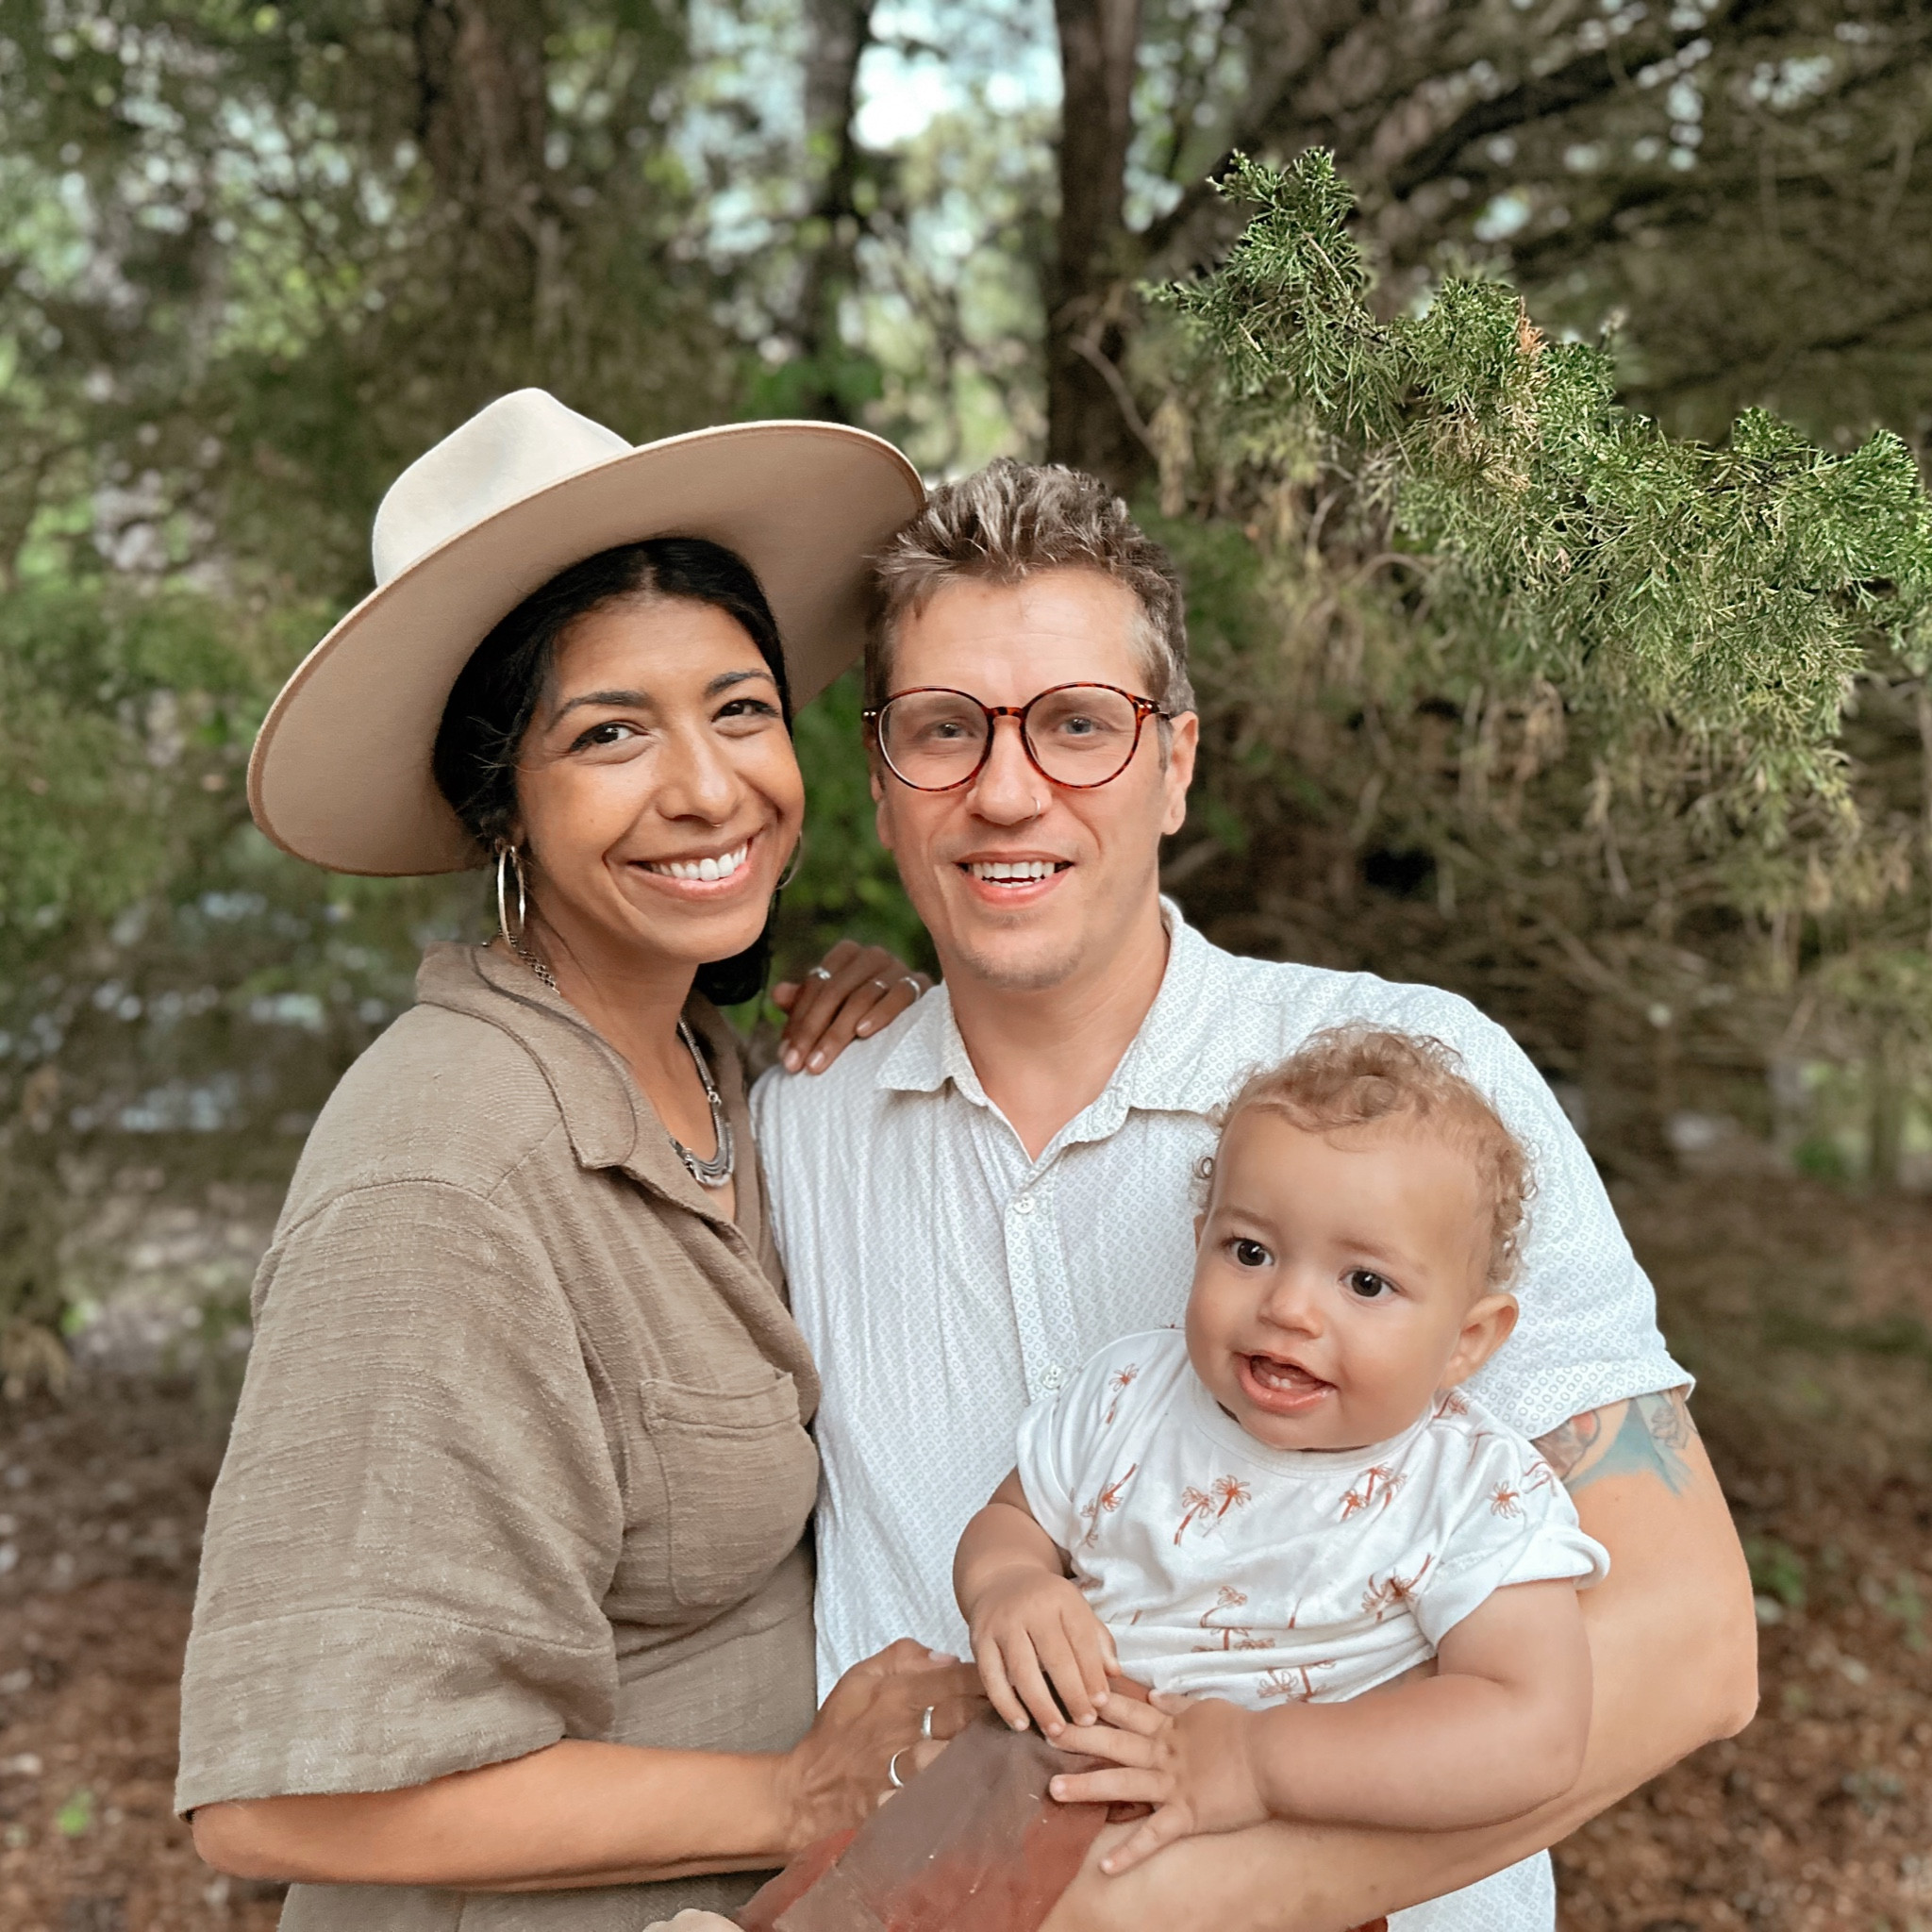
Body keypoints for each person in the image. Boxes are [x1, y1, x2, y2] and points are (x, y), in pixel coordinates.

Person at [751, 458, 1758, 1929]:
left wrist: (1125, 1912)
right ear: (881, 776)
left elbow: (1690, 1647)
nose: (1009, 788)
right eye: (945, 731)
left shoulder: (1415, 1091)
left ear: (1176, 762)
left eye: (1082, 726)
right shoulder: (799, 1125)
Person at [179, 388, 980, 1929]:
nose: (703, 785)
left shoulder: (711, 1074)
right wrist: (795, 1788)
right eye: (609, 732)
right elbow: (282, 1797)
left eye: (736, 707)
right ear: (504, 804)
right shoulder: (446, 1163)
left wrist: (876, 1029)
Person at [957, 1026, 1607, 1893]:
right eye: (1251, 1252)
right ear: (1201, 1242)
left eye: (1365, 1283)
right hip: (1032, 1801)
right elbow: (1012, 1520)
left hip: (1268, 1867)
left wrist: (1259, 1762)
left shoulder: (1469, 1492)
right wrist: (1008, 1584)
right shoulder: (1131, 1392)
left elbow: (1532, 1730)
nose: (1290, 1307)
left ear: (1468, 1340)